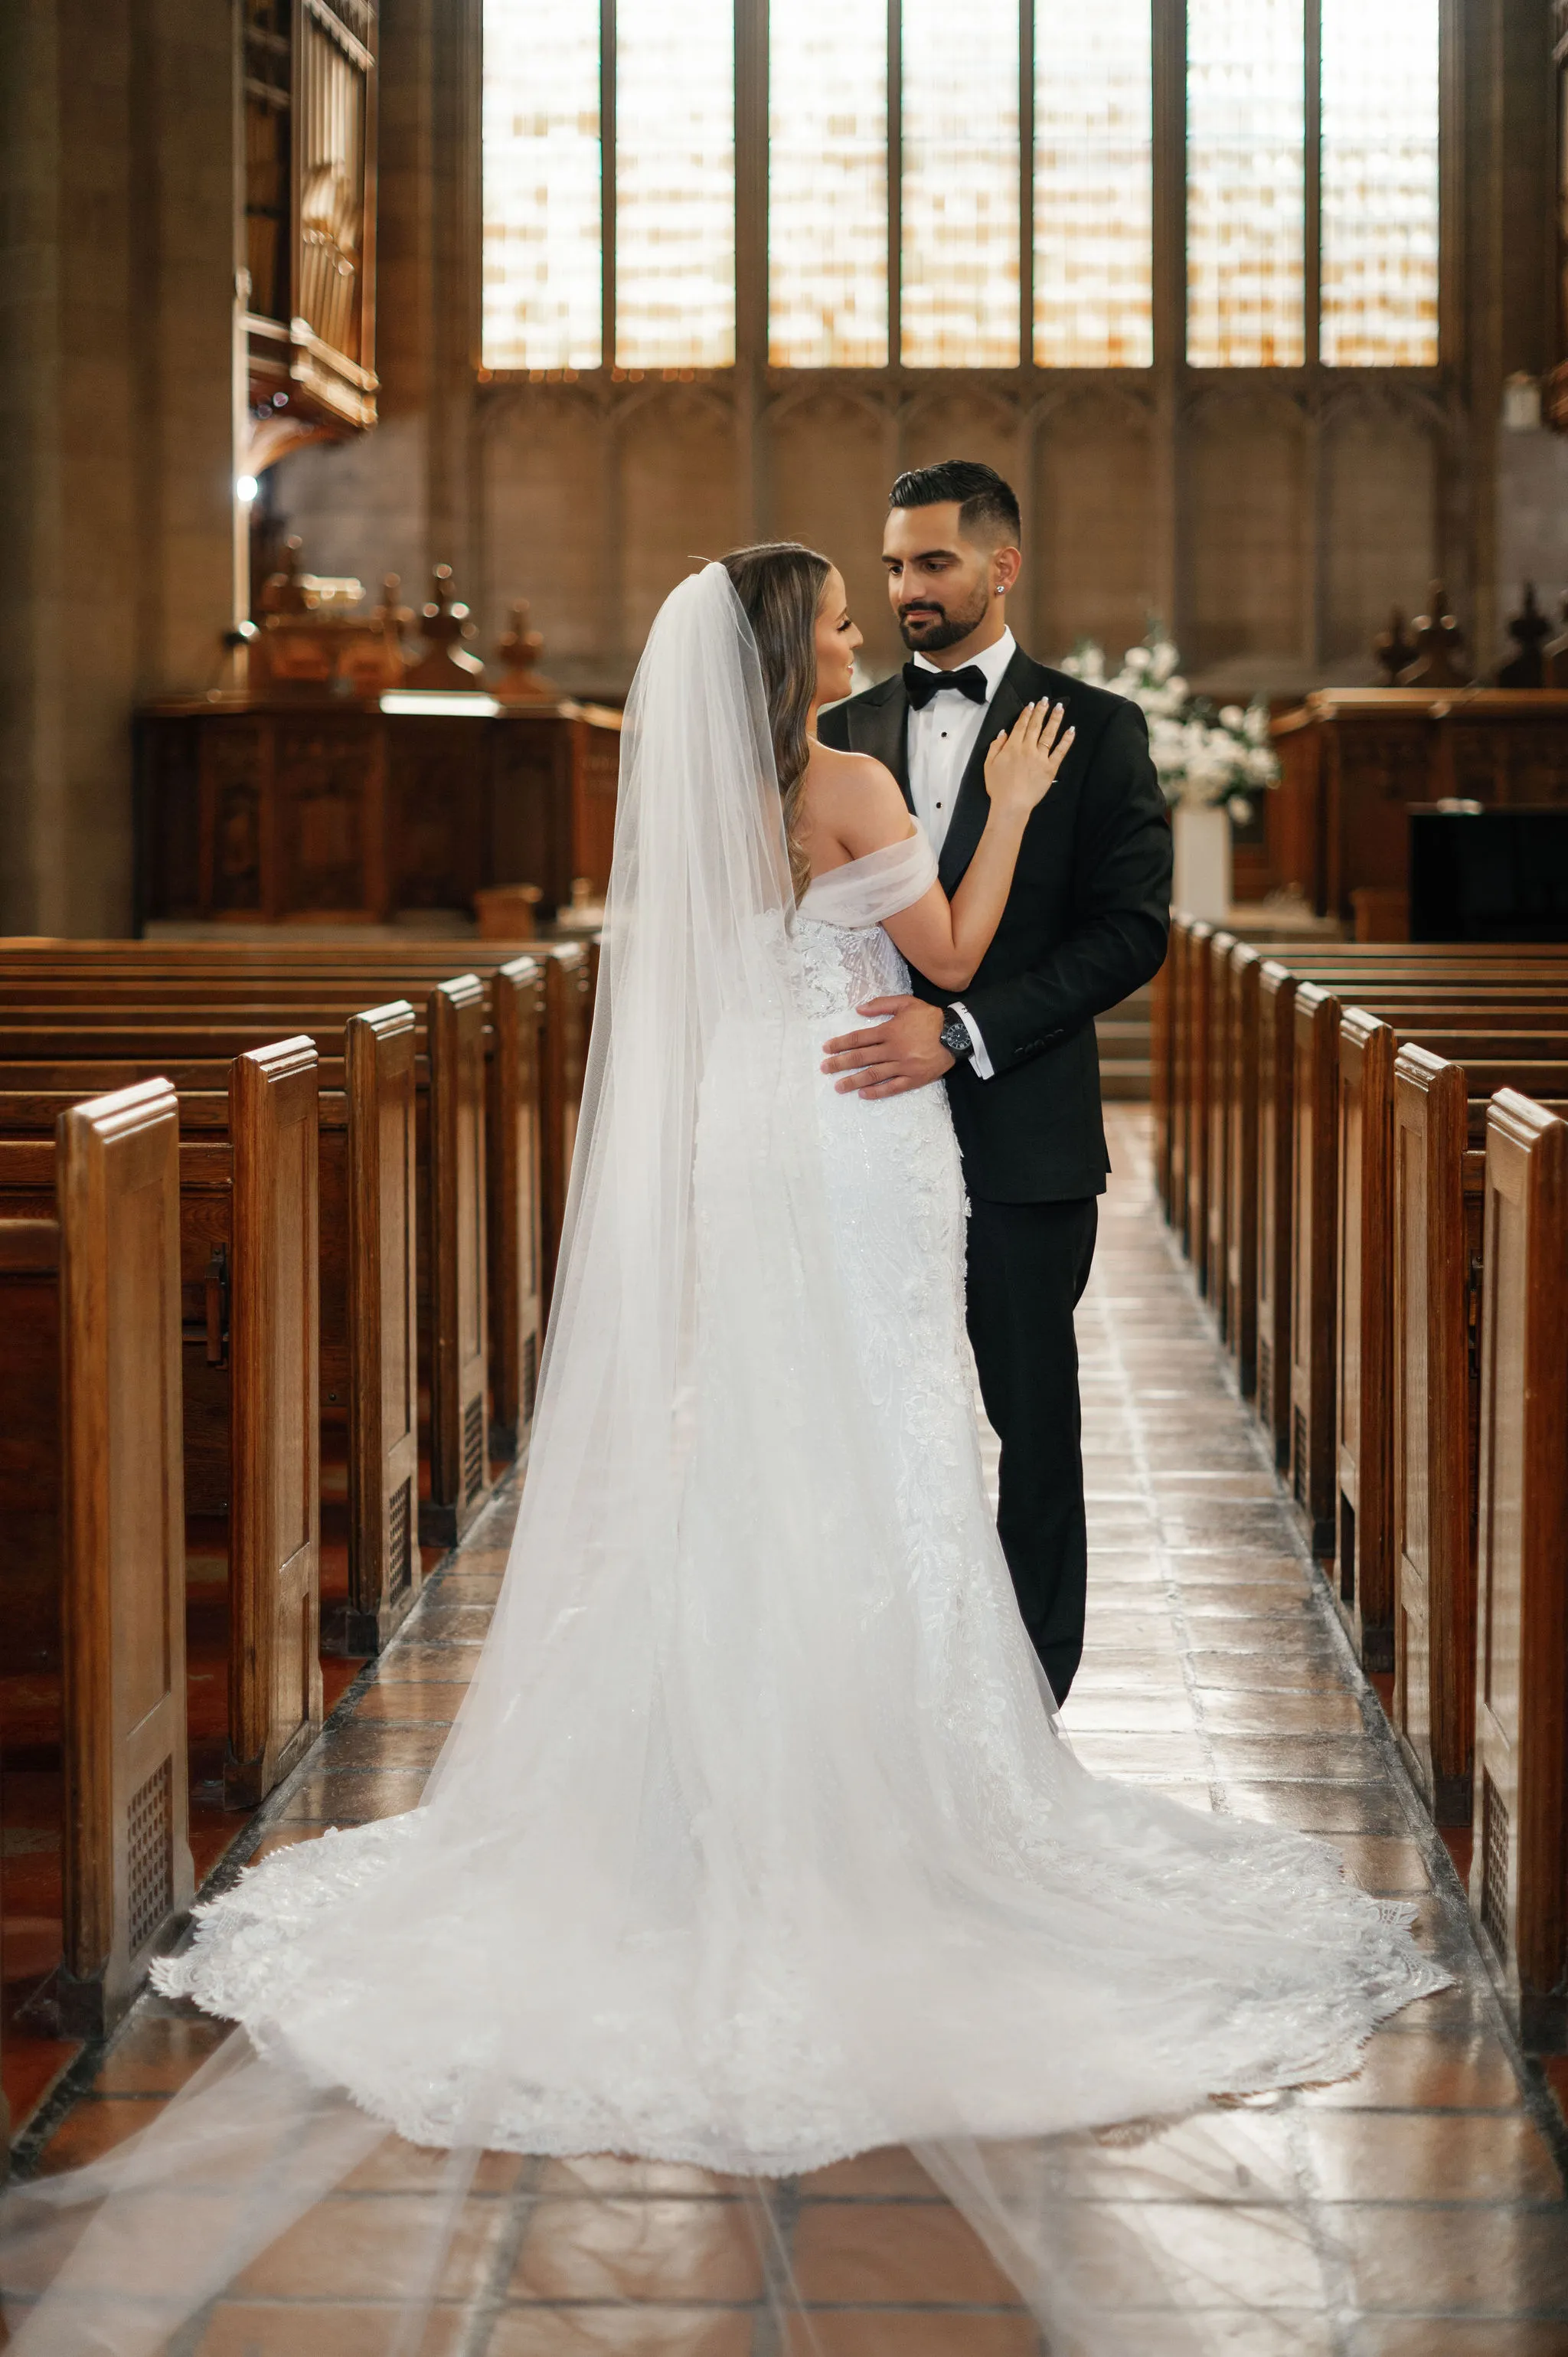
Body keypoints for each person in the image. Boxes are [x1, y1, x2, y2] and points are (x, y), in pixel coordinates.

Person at [2, 551, 1442, 2357]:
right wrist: (993, 807)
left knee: (766, 1435)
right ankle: (874, 1781)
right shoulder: (846, 780)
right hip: (860, 1136)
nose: (856, 624)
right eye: (837, 610)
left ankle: (712, 1776)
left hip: (761, 1126)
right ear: (791, 648)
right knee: (888, 1443)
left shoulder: (716, 795)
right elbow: (963, 958)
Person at [816, 458, 1172, 1705]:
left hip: (1023, 1128)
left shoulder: (1096, 725)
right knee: (871, 1414)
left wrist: (964, 1031)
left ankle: (1031, 1697)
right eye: (895, 565)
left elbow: (1130, 932)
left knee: (1033, 1415)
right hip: (863, 1130)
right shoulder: (837, 733)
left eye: (934, 563)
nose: (907, 588)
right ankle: (884, 1679)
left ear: (1002, 563)